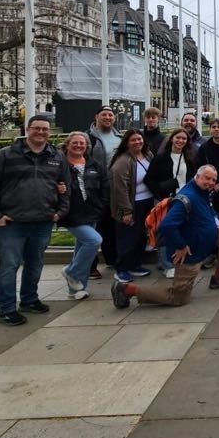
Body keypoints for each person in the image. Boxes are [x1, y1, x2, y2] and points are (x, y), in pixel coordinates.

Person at [0, 115, 70, 325]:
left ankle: (29, 299)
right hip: (12, 222)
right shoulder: (6, 155)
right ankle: (6, 309)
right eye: (36, 128)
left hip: (43, 220)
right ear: (27, 129)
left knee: (35, 264)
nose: (41, 132)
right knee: (9, 266)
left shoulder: (56, 156)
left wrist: (60, 212)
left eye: (45, 129)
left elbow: (66, 185)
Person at [111, 165, 219, 308]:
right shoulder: (186, 198)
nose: (210, 182)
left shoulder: (201, 192)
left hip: (205, 241)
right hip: (190, 253)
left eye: (213, 180)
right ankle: (126, 289)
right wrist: (181, 245)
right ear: (197, 177)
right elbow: (167, 225)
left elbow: (208, 208)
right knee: (178, 298)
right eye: (207, 178)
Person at [59, 132, 109, 300]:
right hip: (72, 212)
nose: (79, 145)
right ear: (67, 144)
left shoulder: (93, 164)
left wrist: (102, 204)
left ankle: (76, 290)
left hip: (92, 211)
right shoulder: (60, 164)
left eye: (82, 143)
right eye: (75, 142)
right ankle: (71, 272)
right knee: (93, 241)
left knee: (81, 247)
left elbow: (104, 185)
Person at [144, 128, 197, 277]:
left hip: (184, 199)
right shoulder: (161, 158)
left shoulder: (189, 158)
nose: (180, 141)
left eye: (184, 139)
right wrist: (160, 193)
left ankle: (178, 259)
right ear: (171, 139)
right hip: (166, 199)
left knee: (180, 230)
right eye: (178, 138)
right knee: (164, 231)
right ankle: (166, 264)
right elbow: (149, 179)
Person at [109, 130, 154, 283]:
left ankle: (135, 265)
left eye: (139, 139)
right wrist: (126, 210)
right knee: (127, 237)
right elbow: (119, 188)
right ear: (127, 143)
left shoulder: (147, 155)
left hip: (147, 201)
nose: (137, 142)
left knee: (141, 236)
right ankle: (121, 269)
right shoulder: (123, 161)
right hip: (131, 204)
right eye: (133, 140)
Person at [86, 105, 121, 277]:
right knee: (92, 227)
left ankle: (112, 258)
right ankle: (89, 266)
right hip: (94, 189)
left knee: (110, 226)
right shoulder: (88, 138)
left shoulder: (119, 137)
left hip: (114, 188)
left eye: (110, 115)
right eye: (104, 115)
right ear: (96, 117)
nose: (107, 117)